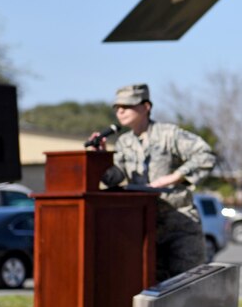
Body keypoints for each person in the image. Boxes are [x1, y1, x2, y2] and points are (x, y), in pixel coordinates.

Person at [92, 83, 216, 282]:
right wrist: (100, 158)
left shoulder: (168, 134)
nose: (120, 111)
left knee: (187, 286)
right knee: (151, 289)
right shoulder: (124, 142)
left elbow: (205, 155)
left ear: (146, 107)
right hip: (145, 228)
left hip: (179, 225)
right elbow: (113, 179)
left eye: (127, 106)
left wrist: (174, 177)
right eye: (117, 107)